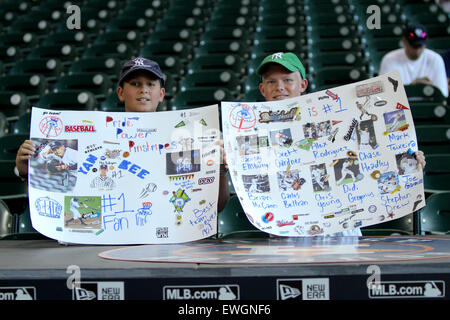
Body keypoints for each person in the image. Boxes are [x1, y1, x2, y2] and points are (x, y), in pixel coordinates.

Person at [15, 57, 230, 212]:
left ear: (161, 94)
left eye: (150, 84)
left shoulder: (184, 138)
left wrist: (219, 171)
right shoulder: (96, 138)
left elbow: (216, 206)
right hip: (113, 240)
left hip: (169, 241)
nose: (143, 90)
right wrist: (29, 172)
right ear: (120, 92)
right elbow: (58, 198)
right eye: (135, 84)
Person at [256, 51, 426, 236]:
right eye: (271, 81)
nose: (279, 87)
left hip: (342, 235)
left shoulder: (339, 117)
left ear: (303, 84)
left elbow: (374, 161)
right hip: (286, 237)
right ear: (262, 88)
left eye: (288, 80)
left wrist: (409, 165)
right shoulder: (251, 132)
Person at [379, 23, 448, 98]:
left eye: (420, 46)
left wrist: (430, 89)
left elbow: (443, 95)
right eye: (414, 46)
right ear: (404, 41)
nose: (417, 50)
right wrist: (413, 88)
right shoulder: (390, 59)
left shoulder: (435, 59)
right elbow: (384, 96)